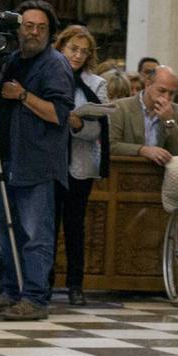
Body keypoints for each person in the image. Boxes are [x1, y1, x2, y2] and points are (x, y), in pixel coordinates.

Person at [0, 0, 73, 321]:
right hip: (8, 159)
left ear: (50, 33)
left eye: (41, 28)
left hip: (37, 163)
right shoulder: (13, 58)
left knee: (35, 235)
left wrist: (22, 95)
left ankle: (35, 297)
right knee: (8, 231)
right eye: (28, 26)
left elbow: (59, 113)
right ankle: (12, 291)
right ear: (19, 29)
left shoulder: (55, 64)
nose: (34, 33)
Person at [52, 24, 111, 306]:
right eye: (73, 49)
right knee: (47, 226)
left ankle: (76, 284)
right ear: (61, 47)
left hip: (79, 163)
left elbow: (99, 129)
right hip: (50, 163)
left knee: (75, 226)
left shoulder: (95, 84)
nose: (77, 56)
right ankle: (43, 281)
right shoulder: (48, 75)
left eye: (83, 52)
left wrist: (76, 123)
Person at [108, 63, 178, 165]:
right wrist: (143, 150)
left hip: (162, 174)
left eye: (171, 93)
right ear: (147, 84)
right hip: (126, 170)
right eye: (162, 90)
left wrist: (169, 121)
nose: (167, 97)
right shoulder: (121, 107)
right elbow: (111, 145)